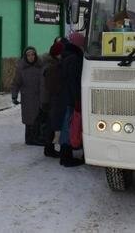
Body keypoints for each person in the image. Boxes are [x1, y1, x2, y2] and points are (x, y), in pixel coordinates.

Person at [59, 32, 85, 167]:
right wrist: (77, 99)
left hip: (66, 96)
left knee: (68, 125)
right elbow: (74, 81)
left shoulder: (67, 55)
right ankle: (66, 155)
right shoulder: (74, 59)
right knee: (69, 126)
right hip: (71, 98)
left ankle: (65, 153)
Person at [11, 46, 44, 145]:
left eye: (33, 54)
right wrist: (14, 95)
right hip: (27, 97)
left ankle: (37, 137)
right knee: (29, 118)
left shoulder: (40, 66)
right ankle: (29, 139)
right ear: (25, 56)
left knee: (38, 118)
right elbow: (16, 83)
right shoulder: (21, 68)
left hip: (38, 97)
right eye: (28, 55)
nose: (31, 57)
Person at [40, 39, 65, 158]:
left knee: (51, 124)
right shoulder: (51, 67)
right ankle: (49, 148)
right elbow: (49, 87)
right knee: (51, 125)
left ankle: (48, 147)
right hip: (50, 101)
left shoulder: (49, 64)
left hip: (48, 100)